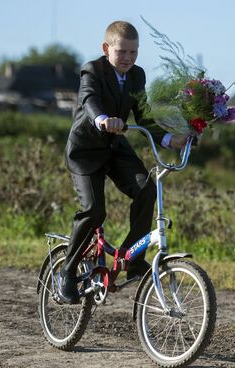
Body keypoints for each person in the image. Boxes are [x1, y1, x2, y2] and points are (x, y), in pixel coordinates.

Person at [59, 20, 187, 304]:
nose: (128, 58)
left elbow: (143, 116)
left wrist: (170, 140)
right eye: (122, 51)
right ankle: (67, 272)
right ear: (107, 49)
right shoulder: (92, 70)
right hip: (86, 151)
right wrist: (102, 119)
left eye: (134, 52)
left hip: (116, 148)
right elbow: (89, 100)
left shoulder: (136, 76)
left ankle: (133, 258)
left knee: (147, 190)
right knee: (94, 210)